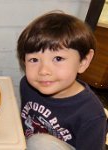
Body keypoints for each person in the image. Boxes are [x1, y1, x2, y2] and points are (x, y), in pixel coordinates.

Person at [17, 12, 108, 150]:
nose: (43, 71)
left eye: (58, 58)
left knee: (39, 143)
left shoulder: (92, 115)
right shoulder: (27, 85)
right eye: (34, 60)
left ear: (83, 61)